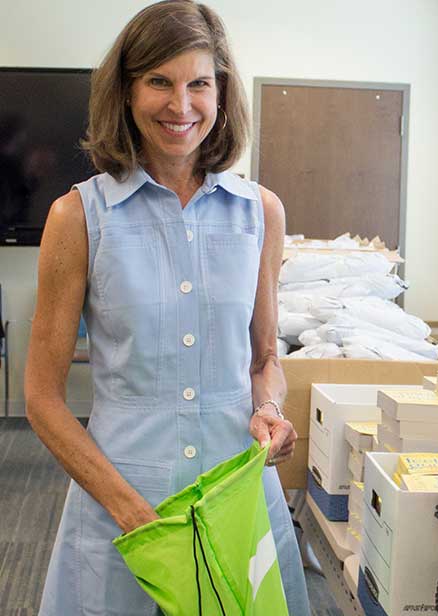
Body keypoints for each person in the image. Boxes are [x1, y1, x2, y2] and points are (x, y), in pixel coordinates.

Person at [23, 1, 310, 613]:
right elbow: (43, 399)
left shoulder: (260, 213)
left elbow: (265, 360)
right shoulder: (78, 217)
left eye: (198, 83)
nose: (181, 107)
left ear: (221, 92)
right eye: (159, 81)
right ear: (126, 92)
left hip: (236, 506)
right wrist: (131, 513)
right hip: (119, 513)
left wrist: (268, 409)